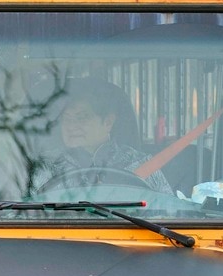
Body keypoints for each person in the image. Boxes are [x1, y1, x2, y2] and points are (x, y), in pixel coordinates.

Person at [41, 78, 174, 195]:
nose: (71, 126)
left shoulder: (140, 163)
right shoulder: (45, 166)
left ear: (108, 122)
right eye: (66, 119)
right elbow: (25, 214)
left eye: (81, 117)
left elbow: (170, 214)